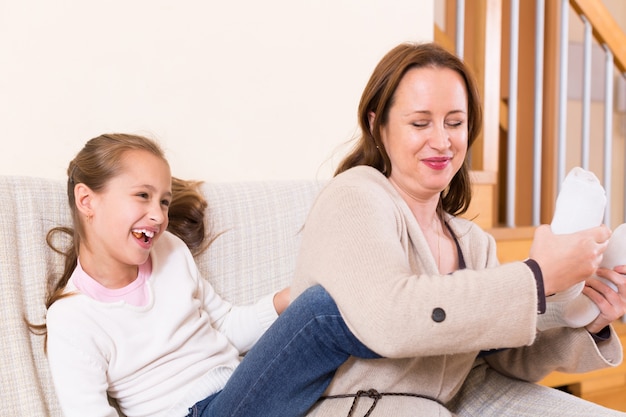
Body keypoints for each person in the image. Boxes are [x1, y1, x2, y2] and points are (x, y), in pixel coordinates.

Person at [290, 42, 626, 416]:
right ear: (376, 124)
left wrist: (588, 319)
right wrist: (536, 277)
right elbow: (390, 320)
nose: (441, 141)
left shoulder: (473, 242)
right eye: (420, 123)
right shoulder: (353, 197)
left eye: (455, 123)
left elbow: (501, 357)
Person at [38, 133, 382, 417]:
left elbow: (225, 330)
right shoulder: (72, 318)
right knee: (320, 312)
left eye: (163, 202)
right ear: (87, 200)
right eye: (142, 196)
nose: (158, 216)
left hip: (236, 392)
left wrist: (285, 301)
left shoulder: (169, 250)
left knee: (314, 301)